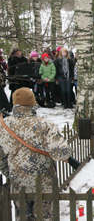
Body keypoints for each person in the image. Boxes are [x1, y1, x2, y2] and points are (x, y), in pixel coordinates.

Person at [0, 87, 72, 221]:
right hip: (44, 183)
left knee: (22, 217)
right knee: (45, 217)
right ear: (33, 103)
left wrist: (10, 174)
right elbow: (62, 153)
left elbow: (1, 158)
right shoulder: (45, 125)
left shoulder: (3, 126)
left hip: (18, 183)